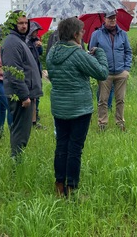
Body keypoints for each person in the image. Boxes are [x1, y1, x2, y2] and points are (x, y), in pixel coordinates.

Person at [47, 17, 108, 197]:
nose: (83, 34)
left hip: (59, 107)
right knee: (74, 149)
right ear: (75, 34)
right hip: (80, 109)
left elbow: (59, 72)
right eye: (82, 32)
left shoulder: (51, 52)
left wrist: (82, 56)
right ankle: (72, 187)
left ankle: (59, 185)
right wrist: (100, 53)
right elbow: (102, 73)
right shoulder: (78, 53)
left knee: (61, 146)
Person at [1, 11, 43, 159]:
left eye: (26, 23)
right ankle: (16, 163)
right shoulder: (12, 43)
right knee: (20, 131)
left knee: (22, 130)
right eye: (20, 23)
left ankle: (17, 160)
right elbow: (14, 72)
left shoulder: (20, 40)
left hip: (26, 93)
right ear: (13, 24)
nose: (24, 26)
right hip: (21, 96)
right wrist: (24, 96)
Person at [89, 9, 132, 131]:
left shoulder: (123, 34)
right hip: (104, 73)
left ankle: (120, 123)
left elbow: (128, 51)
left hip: (120, 72)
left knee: (121, 99)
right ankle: (102, 123)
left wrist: (126, 69)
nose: (112, 20)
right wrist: (98, 68)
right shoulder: (96, 34)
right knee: (103, 100)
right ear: (104, 19)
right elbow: (91, 53)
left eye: (114, 18)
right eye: (110, 18)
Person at [26, 21, 46, 129]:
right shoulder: (27, 42)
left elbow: (40, 53)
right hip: (30, 73)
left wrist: (39, 46)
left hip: (37, 71)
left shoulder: (36, 41)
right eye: (35, 31)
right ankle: (31, 120)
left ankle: (35, 118)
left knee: (36, 96)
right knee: (32, 96)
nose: (37, 33)